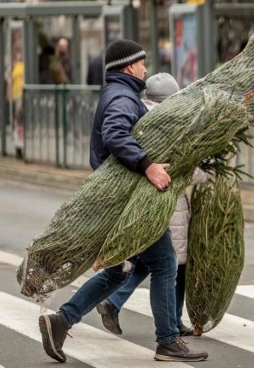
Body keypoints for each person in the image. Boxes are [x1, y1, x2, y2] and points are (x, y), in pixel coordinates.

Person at [38, 40, 209, 363]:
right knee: (164, 263)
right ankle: (167, 342)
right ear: (130, 67)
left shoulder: (120, 93)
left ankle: (60, 322)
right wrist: (148, 165)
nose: (146, 69)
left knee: (119, 271)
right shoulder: (122, 96)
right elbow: (115, 133)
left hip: (115, 200)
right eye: (142, 64)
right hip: (124, 201)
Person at [95, 72, 208, 338]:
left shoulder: (142, 119)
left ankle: (167, 320)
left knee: (154, 263)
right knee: (173, 264)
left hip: (148, 204)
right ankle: (166, 327)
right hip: (168, 205)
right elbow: (181, 168)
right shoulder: (168, 125)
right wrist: (208, 173)